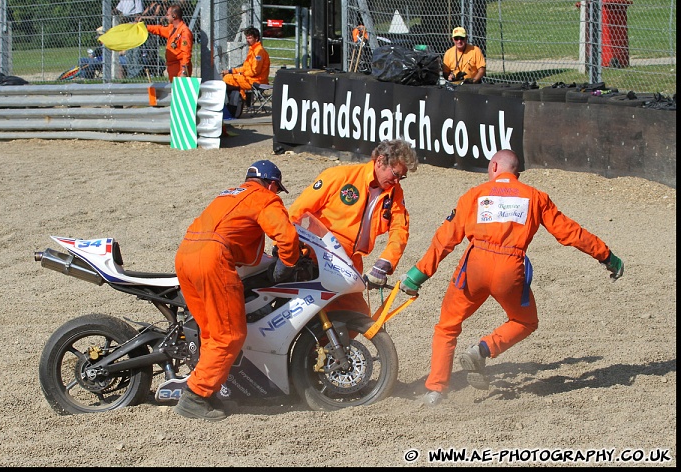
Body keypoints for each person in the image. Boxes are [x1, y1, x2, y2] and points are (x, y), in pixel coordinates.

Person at [398, 149, 625, 407]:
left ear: (494, 166)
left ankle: (435, 390)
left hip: (475, 265)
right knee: (525, 321)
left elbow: (445, 239)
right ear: (516, 171)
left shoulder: (474, 195)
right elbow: (571, 233)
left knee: (447, 326)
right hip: (511, 267)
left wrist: (418, 274)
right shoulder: (536, 197)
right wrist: (607, 256)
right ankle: (483, 348)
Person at [174, 160, 301, 420]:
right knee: (229, 334)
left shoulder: (229, 193)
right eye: (277, 189)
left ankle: (206, 394)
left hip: (186, 254)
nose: (276, 194)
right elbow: (287, 237)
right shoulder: (264, 198)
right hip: (213, 258)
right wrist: (287, 265)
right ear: (273, 184)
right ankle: (194, 396)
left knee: (211, 332)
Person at [288, 139, 418, 316]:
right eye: (395, 174)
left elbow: (399, 229)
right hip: (316, 257)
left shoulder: (394, 192)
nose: (397, 181)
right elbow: (297, 211)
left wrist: (386, 261)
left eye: (401, 177)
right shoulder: (340, 176)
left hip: (351, 265)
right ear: (380, 161)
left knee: (358, 314)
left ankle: (323, 344)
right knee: (305, 315)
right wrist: (287, 245)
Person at [221, 27, 270, 116]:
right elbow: (245, 68)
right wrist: (231, 71)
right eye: (247, 38)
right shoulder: (253, 50)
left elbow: (255, 71)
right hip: (250, 78)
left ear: (256, 38)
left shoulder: (258, 52)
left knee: (228, 79)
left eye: (250, 38)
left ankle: (234, 105)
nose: (248, 40)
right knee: (228, 76)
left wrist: (240, 73)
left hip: (257, 80)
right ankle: (237, 102)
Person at [146, 4, 193, 82]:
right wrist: (146, 27)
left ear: (174, 16)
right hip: (172, 67)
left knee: (180, 92)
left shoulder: (184, 31)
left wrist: (184, 71)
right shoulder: (172, 28)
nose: (166, 16)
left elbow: (186, 53)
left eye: (168, 14)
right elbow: (159, 29)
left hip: (180, 67)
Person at [114, 0, 145, 79]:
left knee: (136, 51)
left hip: (133, 23)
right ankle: (130, 74)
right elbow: (119, 8)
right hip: (126, 24)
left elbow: (139, 11)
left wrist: (136, 20)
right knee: (129, 51)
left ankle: (137, 73)